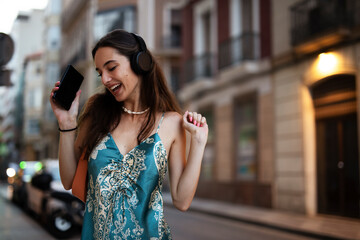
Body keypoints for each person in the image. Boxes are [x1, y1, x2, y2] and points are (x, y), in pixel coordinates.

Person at [50, 29, 208, 240]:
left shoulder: (171, 122)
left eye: (111, 68)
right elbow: (69, 180)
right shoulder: (97, 113)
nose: (105, 79)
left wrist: (198, 142)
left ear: (139, 63)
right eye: (100, 73)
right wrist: (66, 123)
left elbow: (181, 201)